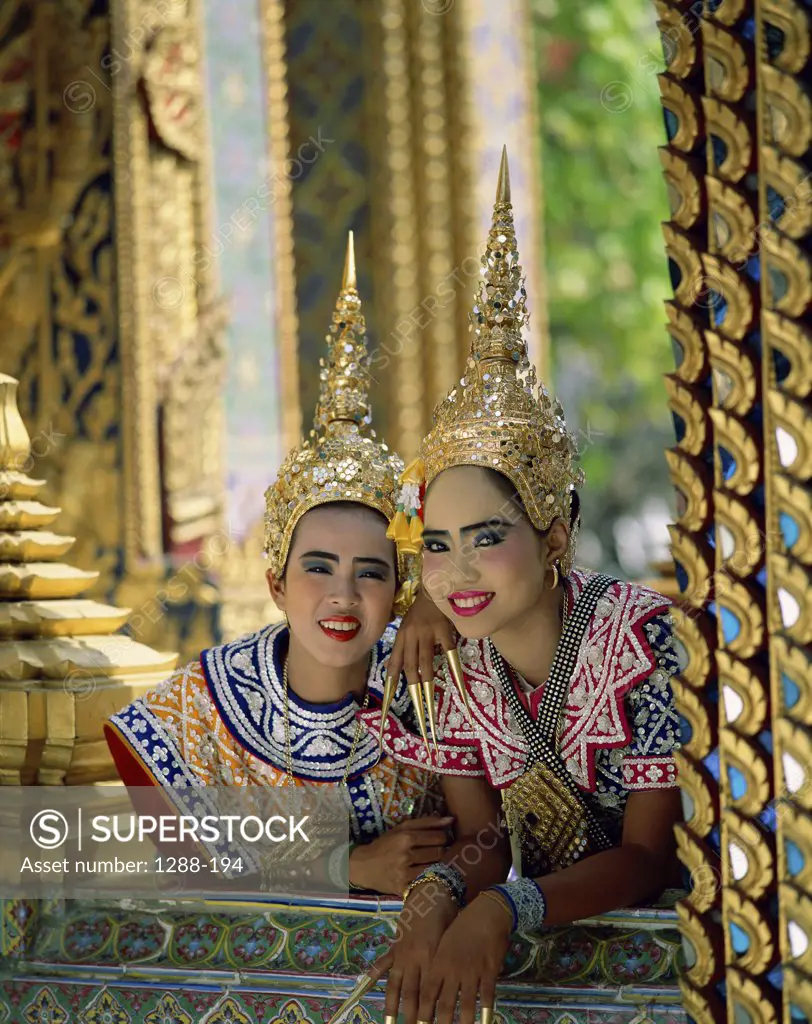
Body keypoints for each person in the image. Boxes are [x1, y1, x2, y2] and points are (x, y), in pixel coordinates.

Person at [366, 150, 683, 1024]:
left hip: (685, 961)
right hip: (560, 966)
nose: (457, 573)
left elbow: (648, 858)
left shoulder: (641, 639)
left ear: (553, 536)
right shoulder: (459, 669)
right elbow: (487, 838)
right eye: (435, 546)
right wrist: (439, 890)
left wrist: (509, 906)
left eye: (486, 540)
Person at [105, 234, 507, 908]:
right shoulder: (200, 709)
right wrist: (349, 867)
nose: (343, 596)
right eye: (318, 568)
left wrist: (438, 886)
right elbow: (175, 875)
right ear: (276, 584)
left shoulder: (427, 687)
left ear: (400, 590)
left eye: (372, 573)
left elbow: (488, 844)